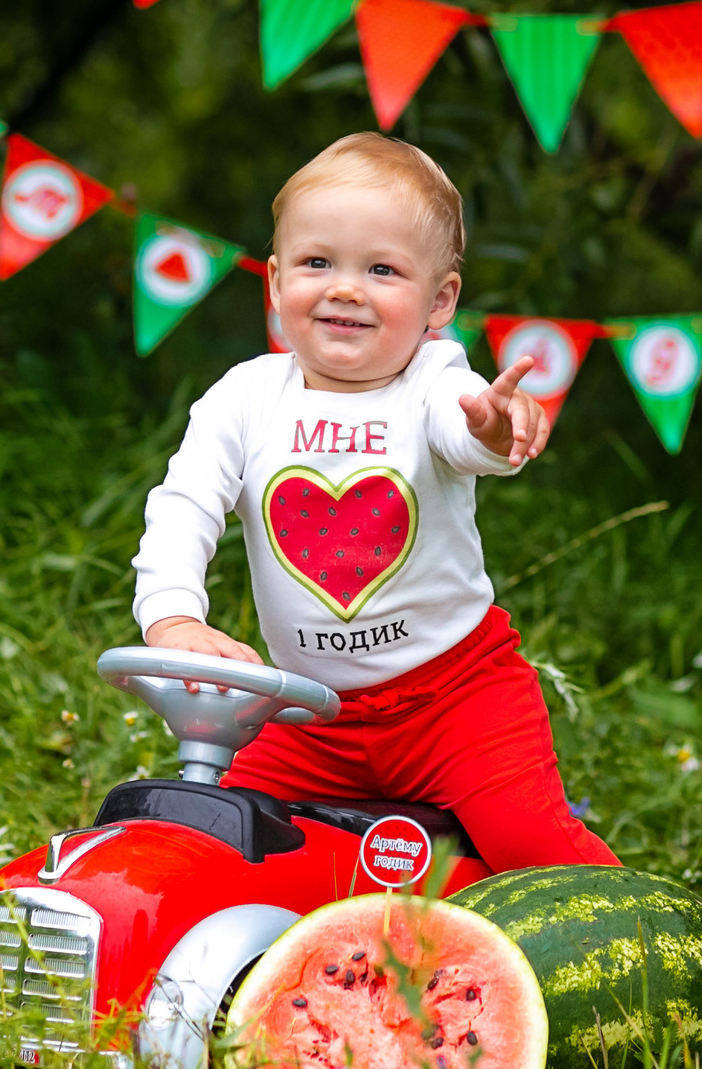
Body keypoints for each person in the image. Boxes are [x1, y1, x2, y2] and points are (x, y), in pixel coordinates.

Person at [129, 132, 619, 870]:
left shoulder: (433, 381)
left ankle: (635, 923)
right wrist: (171, 617)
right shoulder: (245, 398)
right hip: (305, 713)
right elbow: (183, 505)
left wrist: (490, 429)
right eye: (317, 262)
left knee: (532, 849)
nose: (346, 288)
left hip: (456, 701)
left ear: (440, 300)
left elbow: (462, 429)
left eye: (382, 269)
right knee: (227, 842)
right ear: (275, 282)